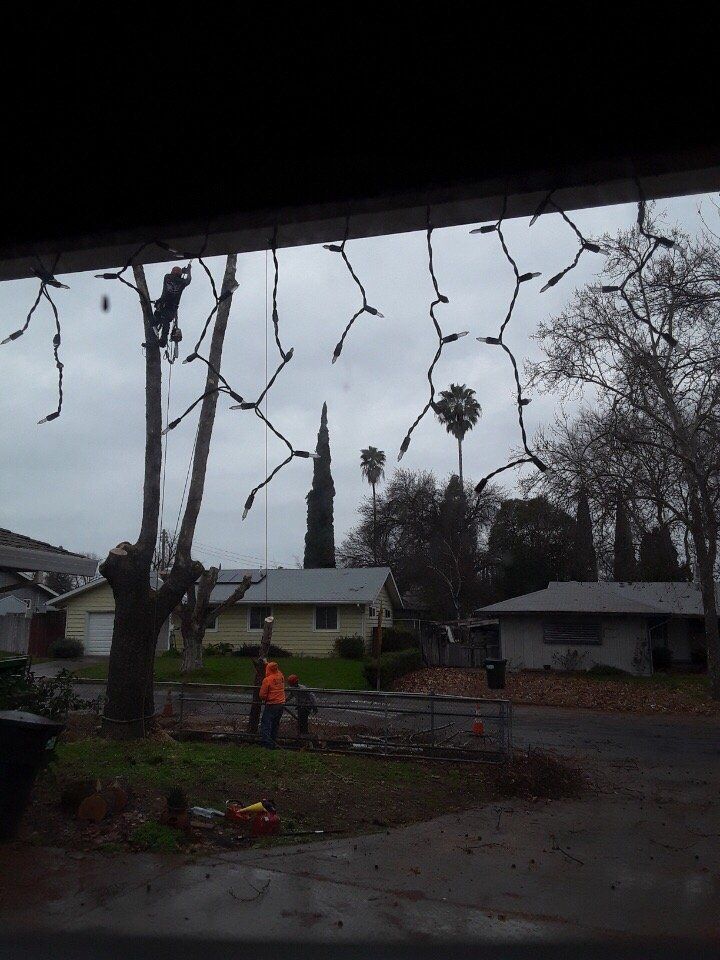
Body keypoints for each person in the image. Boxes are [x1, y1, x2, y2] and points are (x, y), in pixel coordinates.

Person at [152, 263, 192, 347]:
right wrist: (188, 271)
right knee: (161, 321)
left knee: (163, 321)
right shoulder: (177, 281)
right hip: (167, 306)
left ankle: (162, 340)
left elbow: (183, 279)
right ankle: (159, 337)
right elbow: (187, 280)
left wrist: (184, 271)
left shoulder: (169, 278)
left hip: (167, 306)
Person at [259, 661, 286, 749]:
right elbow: (275, 669)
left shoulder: (267, 680)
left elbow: (262, 695)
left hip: (271, 704)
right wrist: (266, 662)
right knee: (275, 724)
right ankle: (273, 742)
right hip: (281, 704)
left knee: (266, 724)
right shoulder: (280, 676)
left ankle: (266, 744)